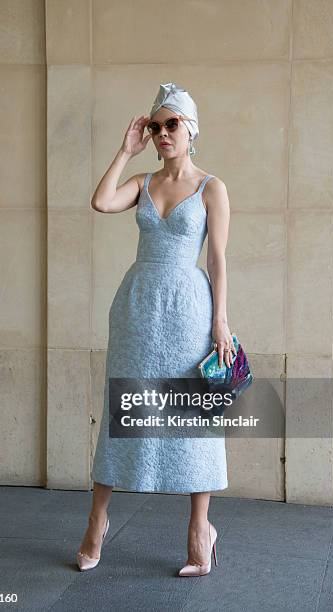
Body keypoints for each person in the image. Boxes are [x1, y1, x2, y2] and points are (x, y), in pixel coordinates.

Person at [76, 82, 235, 577]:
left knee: (192, 415)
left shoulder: (212, 188)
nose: (163, 133)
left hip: (188, 308)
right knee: (124, 405)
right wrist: (126, 150)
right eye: (157, 125)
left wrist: (220, 323)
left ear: (191, 130)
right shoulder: (143, 182)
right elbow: (102, 202)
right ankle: (96, 524)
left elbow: (217, 261)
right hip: (138, 306)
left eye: (172, 124)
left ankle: (198, 530)